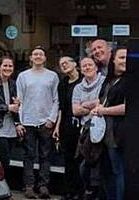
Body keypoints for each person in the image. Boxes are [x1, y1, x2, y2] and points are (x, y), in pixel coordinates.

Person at [16, 46, 59, 199]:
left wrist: (51, 119)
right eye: (35, 54)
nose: (38, 56)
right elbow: (19, 99)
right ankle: (28, 186)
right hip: (28, 120)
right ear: (31, 58)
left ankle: (43, 186)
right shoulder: (23, 76)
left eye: (41, 54)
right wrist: (19, 121)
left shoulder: (52, 76)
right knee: (29, 155)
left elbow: (56, 99)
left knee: (45, 155)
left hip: (45, 121)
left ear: (45, 58)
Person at [91, 47, 127, 200]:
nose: (125, 61)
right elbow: (101, 100)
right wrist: (94, 108)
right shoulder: (109, 79)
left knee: (119, 172)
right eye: (121, 57)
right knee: (104, 171)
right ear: (113, 60)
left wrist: (103, 111)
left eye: (127, 58)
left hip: (117, 135)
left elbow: (127, 108)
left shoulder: (130, 81)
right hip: (101, 135)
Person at [72, 57, 106, 200]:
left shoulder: (104, 82)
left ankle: (97, 194)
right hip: (85, 133)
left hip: (102, 131)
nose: (87, 68)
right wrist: (92, 106)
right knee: (84, 167)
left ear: (96, 67)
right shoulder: (78, 87)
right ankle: (90, 192)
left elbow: (103, 101)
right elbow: (75, 110)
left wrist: (84, 104)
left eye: (90, 65)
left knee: (99, 167)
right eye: (84, 66)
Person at [55, 56, 83, 200]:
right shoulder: (63, 83)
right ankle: (69, 191)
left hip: (81, 124)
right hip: (67, 124)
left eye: (66, 62)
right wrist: (57, 126)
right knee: (68, 159)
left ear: (75, 64)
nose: (64, 65)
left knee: (80, 159)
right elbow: (61, 107)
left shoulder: (83, 80)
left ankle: (80, 191)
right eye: (61, 64)